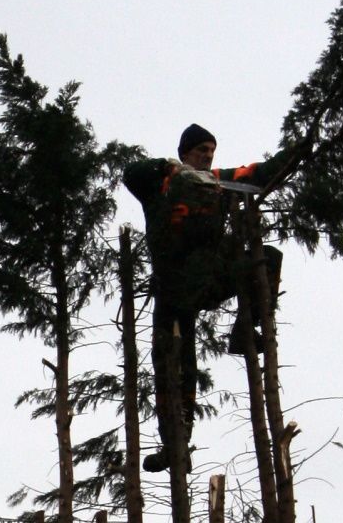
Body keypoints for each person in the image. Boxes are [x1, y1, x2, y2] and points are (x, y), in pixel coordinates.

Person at [123, 124, 287, 471]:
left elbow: (258, 174)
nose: (207, 155)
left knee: (266, 260)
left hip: (209, 279)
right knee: (176, 369)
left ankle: (246, 329)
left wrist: (301, 148)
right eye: (201, 150)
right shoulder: (163, 184)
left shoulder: (218, 182)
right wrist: (169, 168)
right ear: (185, 153)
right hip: (172, 288)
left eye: (211, 150)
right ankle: (174, 445)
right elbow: (131, 173)